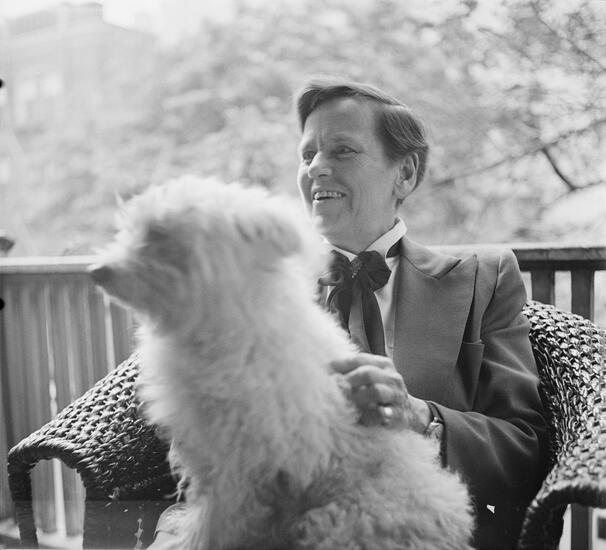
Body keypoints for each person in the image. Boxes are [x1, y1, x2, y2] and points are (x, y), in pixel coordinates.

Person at [151, 78, 548, 550]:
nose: (316, 168)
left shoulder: (484, 277)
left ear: (404, 174)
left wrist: (418, 415)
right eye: (307, 154)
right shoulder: (253, 290)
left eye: (342, 151)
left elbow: (526, 450)